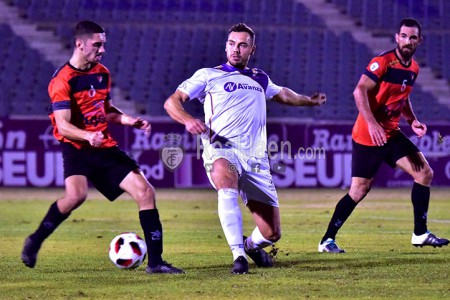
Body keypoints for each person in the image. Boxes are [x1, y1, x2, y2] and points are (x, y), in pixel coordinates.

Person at [20, 20, 184, 274]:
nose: (102, 49)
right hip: (77, 148)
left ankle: (155, 263)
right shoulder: (62, 80)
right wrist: (87, 136)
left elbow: (105, 110)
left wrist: (128, 119)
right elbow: (63, 126)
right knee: (76, 196)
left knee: (145, 192)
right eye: (97, 44)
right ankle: (36, 240)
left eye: (103, 44)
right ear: (80, 44)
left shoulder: (102, 73)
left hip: (104, 147)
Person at [164, 23, 326, 274]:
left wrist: (308, 101)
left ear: (252, 49)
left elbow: (283, 93)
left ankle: (251, 246)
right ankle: (238, 255)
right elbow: (172, 101)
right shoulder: (208, 75)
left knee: (272, 233)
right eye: (231, 43)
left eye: (242, 45)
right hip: (222, 148)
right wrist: (188, 120)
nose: (235, 49)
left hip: (256, 158)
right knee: (225, 179)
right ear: (226, 45)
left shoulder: (259, 77)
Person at [318, 18, 449, 253]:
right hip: (368, 136)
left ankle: (420, 233)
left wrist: (412, 120)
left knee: (424, 173)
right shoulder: (383, 62)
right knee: (359, 190)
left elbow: (403, 96)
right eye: (404, 36)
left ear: (419, 40)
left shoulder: (414, 68)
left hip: (391, 133)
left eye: (413, 37)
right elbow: (359, 91)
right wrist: (372, 124)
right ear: (397, 37)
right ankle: (327, 240)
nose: (408, 41)